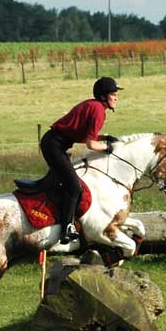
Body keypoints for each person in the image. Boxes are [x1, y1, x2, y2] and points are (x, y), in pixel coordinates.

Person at [41, 76, 122, 244]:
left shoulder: (94, 106)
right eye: (113, 94)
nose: (116, 98)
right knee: (74, 187)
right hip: (53, 145)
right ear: (103, 96)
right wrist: (107, 147)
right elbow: (91, 144)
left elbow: (83, 135)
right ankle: (66, 229)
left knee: (69, 182)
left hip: (53, 143)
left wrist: (104, 137)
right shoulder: (98, 110)